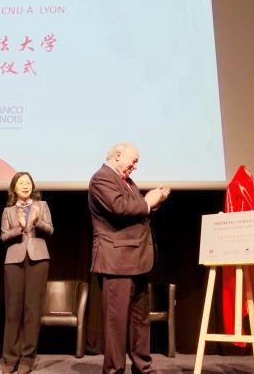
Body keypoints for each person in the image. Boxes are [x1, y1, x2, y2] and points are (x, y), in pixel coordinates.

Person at [88, 142, 170, 374]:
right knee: (116, 322)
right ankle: (114, 369)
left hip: (137, 259)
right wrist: (148, 201)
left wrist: (155, 200)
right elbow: (120, 207)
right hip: (117, 260)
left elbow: (136, 209)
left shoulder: (126, 181)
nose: (135, 165)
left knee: (140, 319)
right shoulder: (101, 178)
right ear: (118, 155)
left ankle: (143, 366)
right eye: (133, 160)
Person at [0, 172, 53, 374]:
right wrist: (20, 228)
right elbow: (4, 236)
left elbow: (50, 230)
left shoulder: (42, 206)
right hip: (14, 260)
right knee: (13, 310)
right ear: (14, 188)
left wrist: (37, 222)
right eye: (21, 183)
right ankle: (10, 358)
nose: (25, 185)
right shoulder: (8, 211)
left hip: (38, 259)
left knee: (33, 309)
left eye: (28, 183)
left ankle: (27, 358)